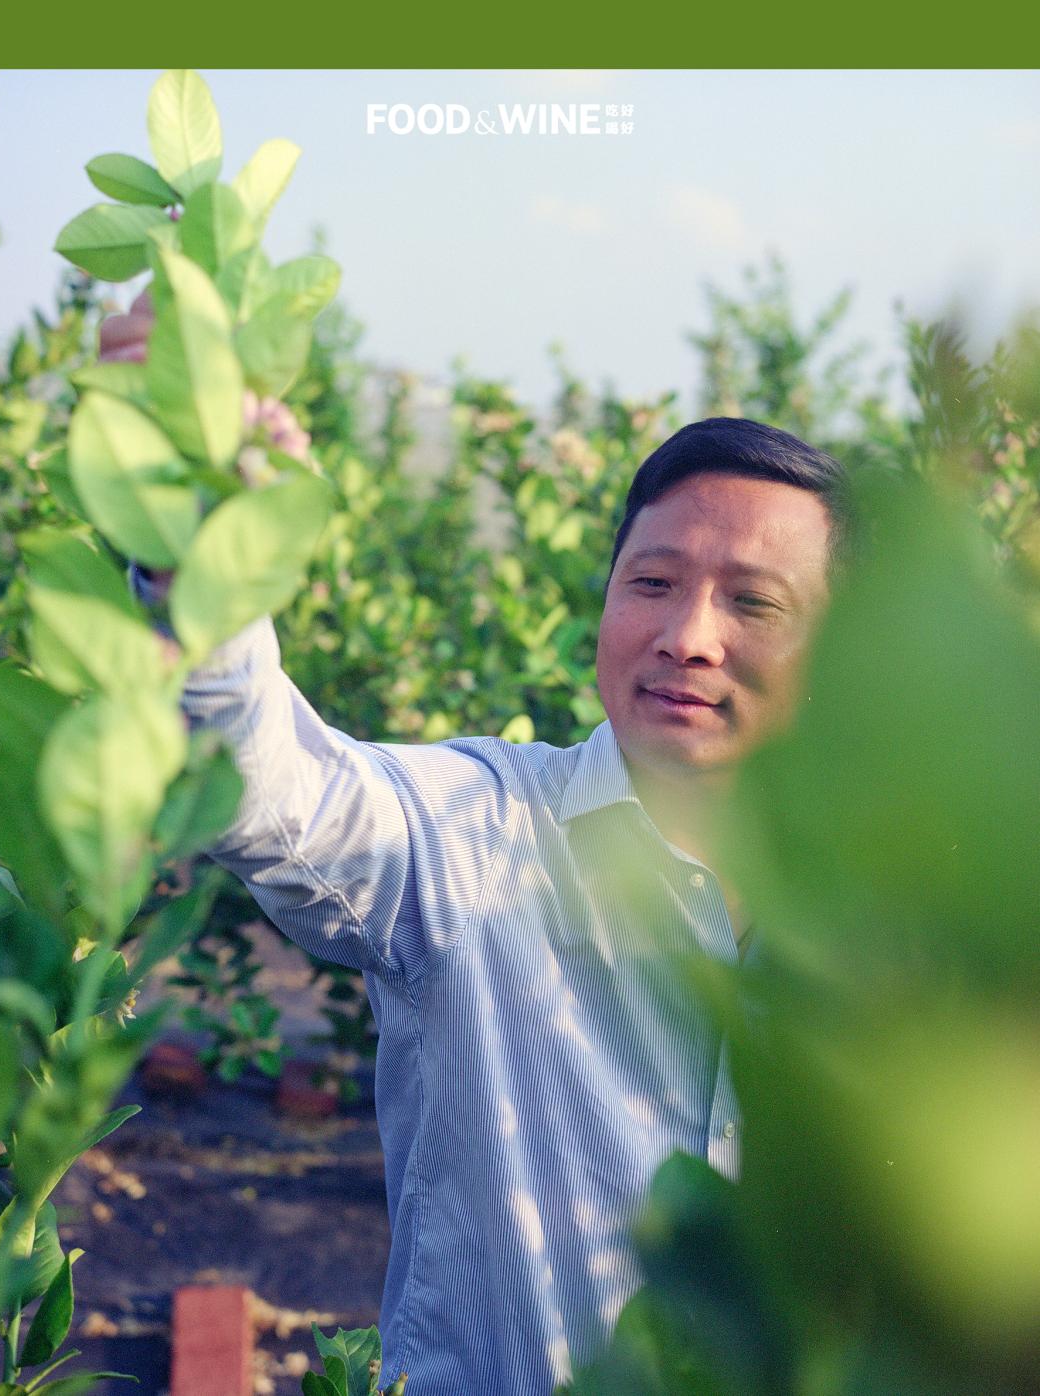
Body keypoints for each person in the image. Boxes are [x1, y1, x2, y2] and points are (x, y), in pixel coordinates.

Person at [103, 299, 843, 1394]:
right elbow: (275, 792)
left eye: (754, 602)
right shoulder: (481, 834)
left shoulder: (896, 920)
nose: (688, 635)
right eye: (651, 582)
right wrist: (197, 563)